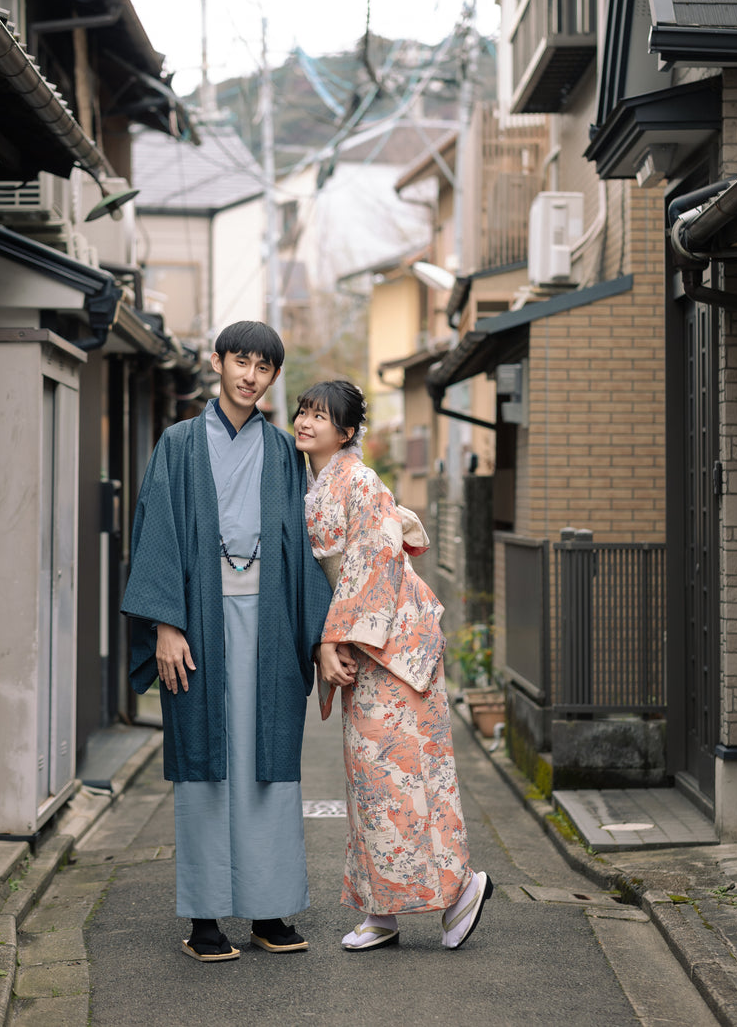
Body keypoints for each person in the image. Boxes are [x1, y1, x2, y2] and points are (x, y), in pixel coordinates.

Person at [122, 321, 331, 962]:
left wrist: (322, 639)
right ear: (217, 363)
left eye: (263, 368)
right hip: (199, 621)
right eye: (241, 362)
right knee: (205, 767)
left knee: (268, 764)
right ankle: (207, 920)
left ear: (273, 377)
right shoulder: (178, 443)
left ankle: (269, 913)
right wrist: (165, 623)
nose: (250, 376)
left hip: (270, 625)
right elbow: (157, 532)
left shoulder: (280, 452)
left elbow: (303, 551)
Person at [294, 379, 493, 952]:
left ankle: (455, 891)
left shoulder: (359, 481)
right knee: (371, 780)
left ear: (347, 431)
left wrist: (335, 640)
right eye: (303, 411)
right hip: (371, 642)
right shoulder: (317, 481)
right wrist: (331, 640)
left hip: (393, 648)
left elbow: (372, 565)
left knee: (402, 778)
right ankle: (382, 911)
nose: (307, 422)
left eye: (320, 416)